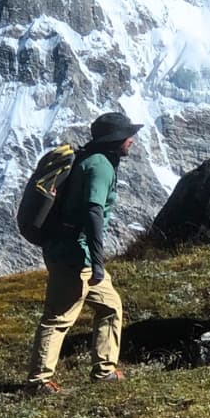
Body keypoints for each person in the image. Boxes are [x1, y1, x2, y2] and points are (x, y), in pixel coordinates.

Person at [26, 112, 141, 393]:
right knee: (59, 316)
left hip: (68, 249)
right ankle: (39, 381)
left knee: (110, 306)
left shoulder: (92, 158)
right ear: (115, 140)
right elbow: (93, 214)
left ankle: (104, 370)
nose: (132, 140)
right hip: (74, 254)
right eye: (128, 136)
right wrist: (98, 262)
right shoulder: (100, 166)